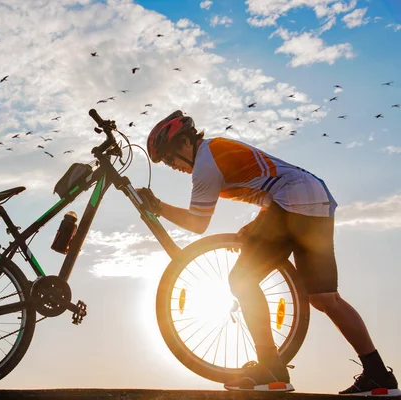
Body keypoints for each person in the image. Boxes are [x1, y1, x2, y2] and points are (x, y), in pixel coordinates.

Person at [136, 110, 399, 396]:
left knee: (241, 280)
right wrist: (259, 222)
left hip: (291, 204)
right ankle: (377, 374)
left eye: (170, 159)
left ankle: (271, 369)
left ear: (185, 143)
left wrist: (159, 207)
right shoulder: (216, 149)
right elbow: (273, 182)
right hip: (316, 198)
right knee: (326, 299)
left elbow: (198, 223)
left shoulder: (204, 164)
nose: (172, 166)